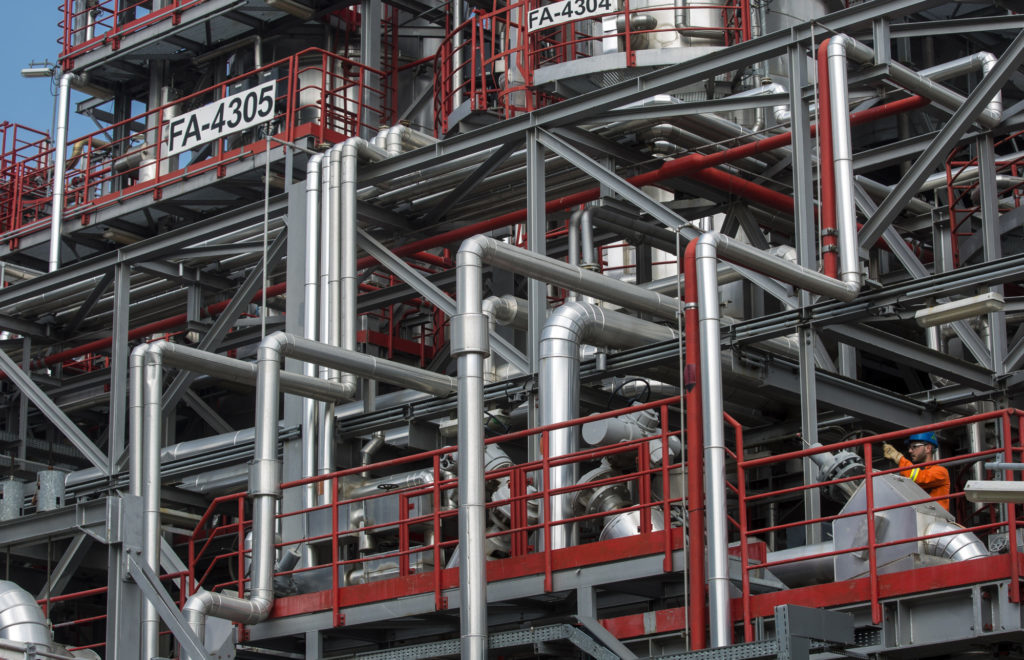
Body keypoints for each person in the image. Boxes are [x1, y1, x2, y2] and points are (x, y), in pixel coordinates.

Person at [881, 431, 950, 511]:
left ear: (928, 448)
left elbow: (918, 478)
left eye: (914, 447)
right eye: (910, 447)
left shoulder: (941, 472)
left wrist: (899, 458)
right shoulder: (915, 470)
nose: (910, 451)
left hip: (936, 518)